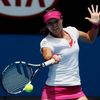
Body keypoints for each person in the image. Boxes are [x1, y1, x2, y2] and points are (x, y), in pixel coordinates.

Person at [40, 5, 100, 100]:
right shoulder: (47, 42)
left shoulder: (72, 31)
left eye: (56, 21)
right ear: (46, 25)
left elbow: (90, 38)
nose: (54, 25)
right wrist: (52, 58)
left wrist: (96, 25)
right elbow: (46, 55)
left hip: (76, 90)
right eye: (50, 23)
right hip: (54, 92)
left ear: (61, 19)